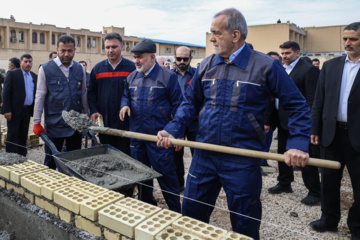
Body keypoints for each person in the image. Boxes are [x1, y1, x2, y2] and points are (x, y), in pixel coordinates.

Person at [157, 8, 311, 239]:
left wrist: (298, 143)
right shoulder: (206, 65)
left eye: (216, 33)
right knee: (190, 217)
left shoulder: (266, 66)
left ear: (235, 35)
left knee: (245, 224)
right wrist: (173, 129)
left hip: (243, 158)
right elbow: (189, 103)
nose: (211, 38)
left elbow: (298, 105)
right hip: (205, 155)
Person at [119, 39, 183, 212]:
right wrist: (124, 105)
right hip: (138, 137)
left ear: (152, 57)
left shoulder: (168, 77)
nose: (136, 61)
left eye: (139, 57)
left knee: (167, 177)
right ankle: (146, 209)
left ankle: (176, 213)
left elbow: (179, 106)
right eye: (134, 57)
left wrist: (177, 132)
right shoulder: (131, 77)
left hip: (159, 139)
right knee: (142, 176)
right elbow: (125, 95)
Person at [310, 22, 360, 239]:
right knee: (329, 181)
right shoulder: (330, 66)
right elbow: (319, 100)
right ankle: (328, 220)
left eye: (353, 39)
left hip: (358, 136)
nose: (347, 43)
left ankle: (357, 226)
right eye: (345, 39)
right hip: (331, 134)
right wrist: (315, 128)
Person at [268, 41, 321, 206]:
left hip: (300, 123)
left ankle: (314, 191)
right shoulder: (281, 69)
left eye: (288, 53)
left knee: (303, 156)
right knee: (283, 152)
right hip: (283, 121)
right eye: (282, 53)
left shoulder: (309, 70)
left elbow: (313, 100)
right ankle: (284, 183)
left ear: (298, 53)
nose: (284, 56)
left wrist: (312, 126)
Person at [32, 35, 89, 170]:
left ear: (75, 50)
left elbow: (83, 93)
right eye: (63, 50)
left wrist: (87, 116)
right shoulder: (45, 69)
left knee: (74, 163)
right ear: (57, 49)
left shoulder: (79, 69)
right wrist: (36, 122)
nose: (66, 54)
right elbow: (40, 96)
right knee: (51, 162)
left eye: (70, 51)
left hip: (75, 126)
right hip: (54, 124)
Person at [87, 32, 135, 155]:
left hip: (126, 123)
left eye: (114, 47)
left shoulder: (132, 68)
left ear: (122, 47)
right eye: (107, 47)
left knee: (126, 155)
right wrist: (93, 110)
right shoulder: (98, 69)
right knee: (108, 155)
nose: (110, 50)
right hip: (105, 121)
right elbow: (91, 92)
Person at [172, 46, 197, 190]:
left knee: (198, 155)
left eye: (185, 59)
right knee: (176, 155)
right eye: (178, 58)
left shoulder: (198, 75)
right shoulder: (168, 76)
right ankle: (179, 184)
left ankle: (195, 186)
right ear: (174, 58)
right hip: (176, 121)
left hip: (195, 122)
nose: (182, 61)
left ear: (191, 59)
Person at [2, 54, 37, 156]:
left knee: (23, 134)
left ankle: (22, 156)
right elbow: (6, 93)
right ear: (21, 63)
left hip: (27, 110)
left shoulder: (34, 76)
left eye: (30, 62)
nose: (28, 64)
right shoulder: (12, 74)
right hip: (14, 110)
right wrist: (7, 110)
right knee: (13, 134)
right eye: (25, 61)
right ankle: (11, 157)